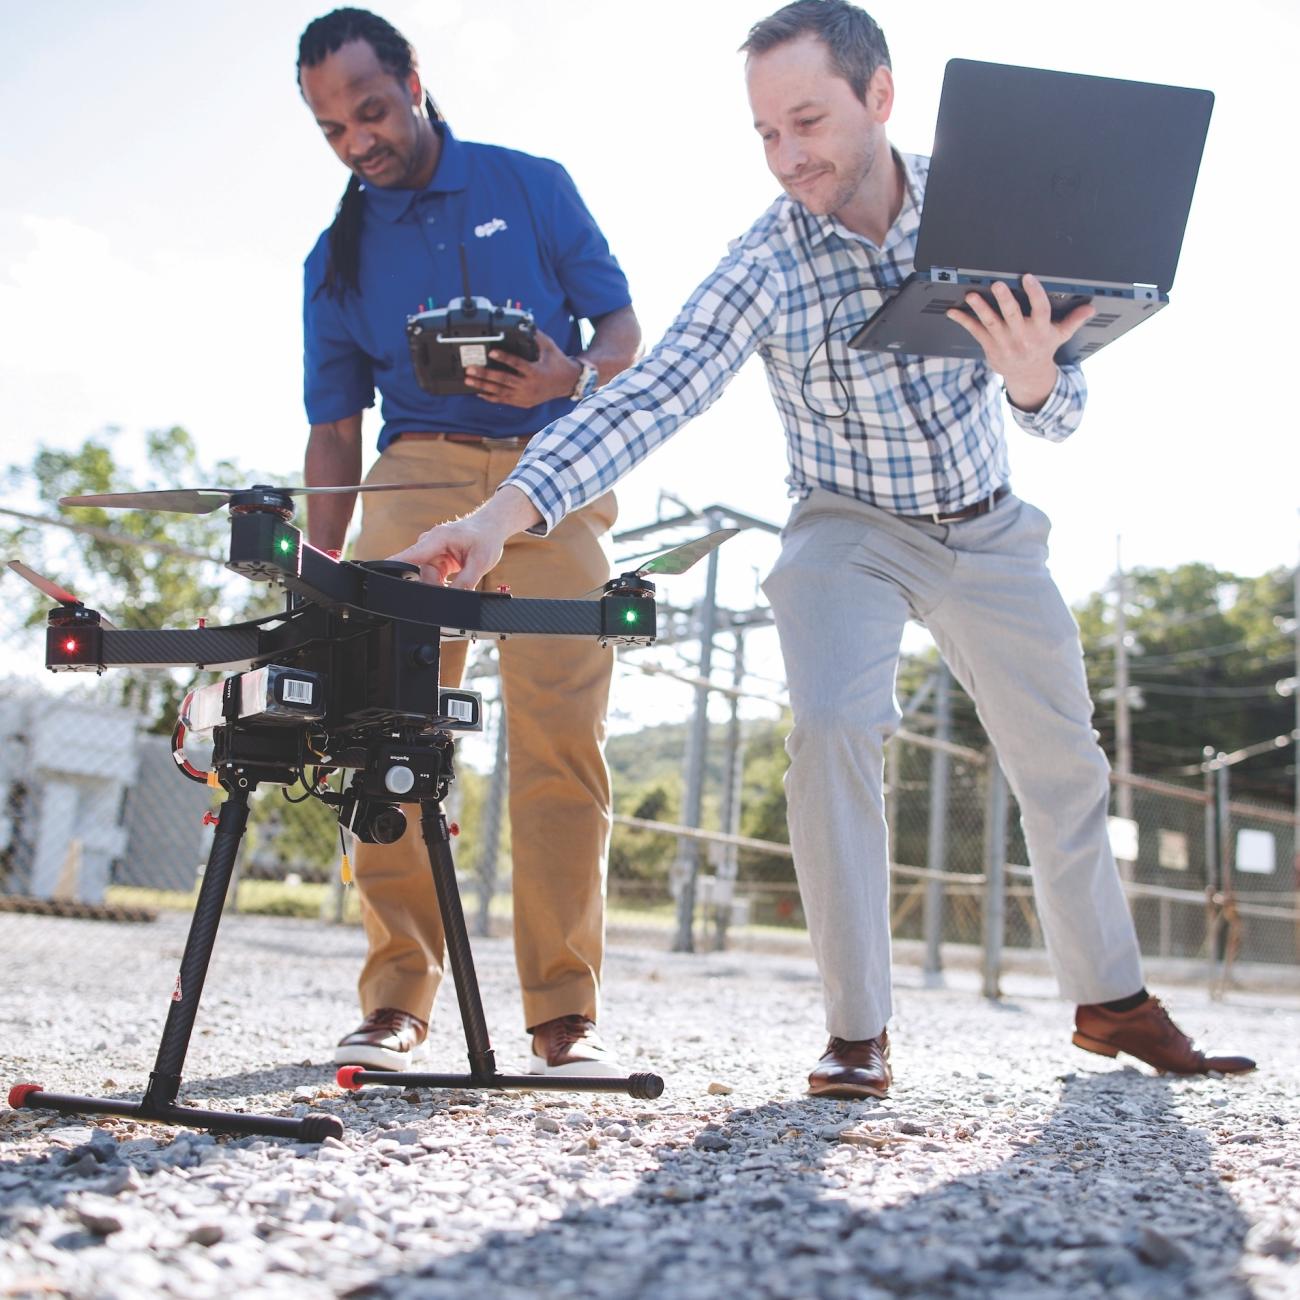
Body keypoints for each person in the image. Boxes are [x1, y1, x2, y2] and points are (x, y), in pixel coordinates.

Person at [389, 1, 1257, 1096]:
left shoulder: (984, 208)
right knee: (837, 726)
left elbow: (1061, 406)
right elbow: (651, 395)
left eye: (807, 122)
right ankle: (857, 1030)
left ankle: (1111, 1004)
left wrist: (1036, 376)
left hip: (987, 524)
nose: (788, 157)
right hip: (843, 527)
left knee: (1064, 761)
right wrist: (499, 514)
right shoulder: (766, 260)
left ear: (878, 98)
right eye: (765, 134)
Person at [296, 7, 642, 1075]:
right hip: (417, 474)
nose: (361, 141)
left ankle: (561, 1014)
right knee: (386, 733)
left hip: (553, 470)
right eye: (333, 130)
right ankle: (396, 996)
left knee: (559, 737)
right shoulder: (335, 257)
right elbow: (333, 433)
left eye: (372, 110)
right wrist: (319, 581)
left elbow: (625, 336)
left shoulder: (530, 183)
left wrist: (566, 378)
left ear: (412, 80)